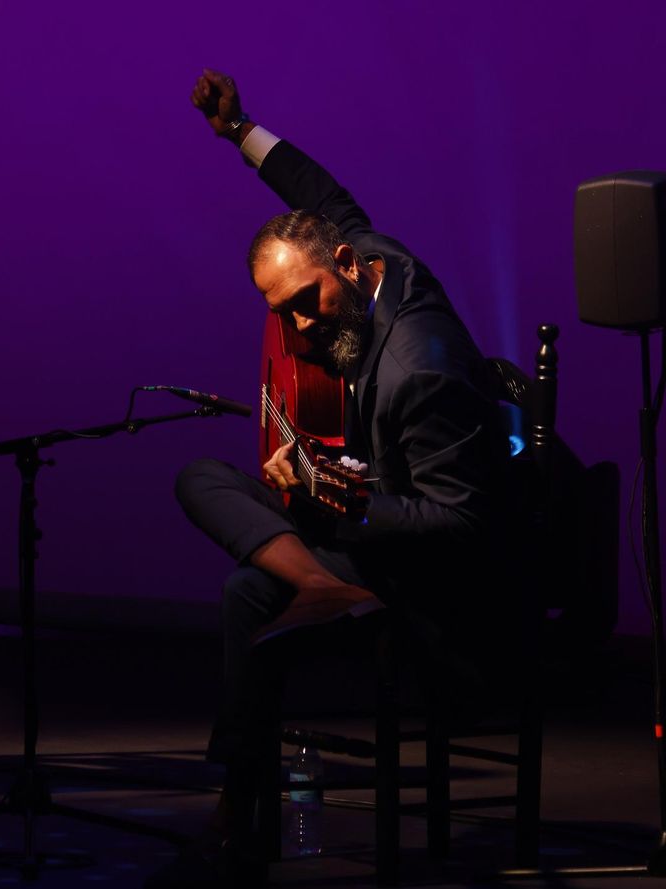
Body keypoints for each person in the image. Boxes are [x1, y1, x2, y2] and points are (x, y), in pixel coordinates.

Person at [161, 70, 513, 885]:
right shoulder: (369, 257)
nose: (301, 328)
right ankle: (318, 582)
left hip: (431, 590)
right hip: (361, 537)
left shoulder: (420, 368)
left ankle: (234, 819)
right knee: (201, 474)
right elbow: (320, 192)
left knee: (247, 593)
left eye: (310, 303)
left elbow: (465, 528)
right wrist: (239, 127)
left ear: (345, 269)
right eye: (282, 312)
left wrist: (354, 500)